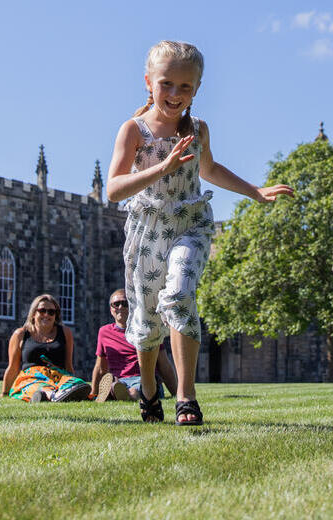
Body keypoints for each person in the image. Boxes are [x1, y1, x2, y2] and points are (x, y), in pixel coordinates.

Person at [107, 40, 293, 426]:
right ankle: (147, 388)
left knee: (179, 294)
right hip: (148, 231)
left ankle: (185, 396)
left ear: (197, 89)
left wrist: (254, 191)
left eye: (185, 87)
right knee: (146, 319)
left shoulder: (199, 129)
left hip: (190, 227)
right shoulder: (134, 130)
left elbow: (209, 170)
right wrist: (161, 168)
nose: (175, 94)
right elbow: (114, 189)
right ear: (148, 83)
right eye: (166, 84)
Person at [91, 288, 177, 402]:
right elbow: (100, 367)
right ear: (111, 309)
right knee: (115, 385)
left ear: (133, 305)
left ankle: (121, 395)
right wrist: (93, 393)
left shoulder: (147, 329)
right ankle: (114, 392)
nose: (120, 307)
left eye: (125, 303)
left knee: (135, 390)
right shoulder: (104, 332)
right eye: (116, 304)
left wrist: (176, 393)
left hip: (145, 379)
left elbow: (164, 364)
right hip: (119, 380)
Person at [1, 294, 91, 402]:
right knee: (38, 387)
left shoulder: (65, 332)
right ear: (34, 313)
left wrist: (72, 379)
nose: (46, 315)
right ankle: (51, 395)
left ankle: (61, 394)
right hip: (31, 377)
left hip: (58, 376)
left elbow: (68, 364)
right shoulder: (20, 334)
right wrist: (5, 392)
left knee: (77, 384)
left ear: (56, 315)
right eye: (42, 310)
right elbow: (13, 367)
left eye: (51, 312)